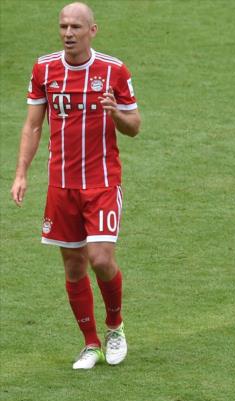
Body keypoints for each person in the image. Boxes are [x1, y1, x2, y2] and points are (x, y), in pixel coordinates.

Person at [10, 2, 140, 370]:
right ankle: (91, 344)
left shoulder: (114, 70)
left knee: (100, 258)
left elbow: (135, 126)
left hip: (101, 183)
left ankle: (115, 326)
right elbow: (33, 125)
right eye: (63, 26)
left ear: (92, 30)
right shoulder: (44, 68)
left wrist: (117, 113)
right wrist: (21, 173)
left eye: (76, 27)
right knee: (73, 267)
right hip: (61, 186)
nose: (68, 33)